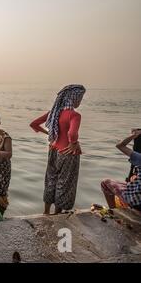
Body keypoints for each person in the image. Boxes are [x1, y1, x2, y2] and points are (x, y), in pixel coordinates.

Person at [30, 84, 86, 215]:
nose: (80, 101)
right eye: (80, 98)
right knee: (64, 183)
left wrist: (51, 135)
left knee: (50, 180)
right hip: (68, 153)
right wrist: (74, 143)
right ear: (73, 98)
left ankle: (46, 212)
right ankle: (56, 215)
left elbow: (34, 124)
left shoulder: (54, 112)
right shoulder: (74, 115)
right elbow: (72, 134)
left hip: (53, 149)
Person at [101, 129, 141, 211]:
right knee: (132, 180)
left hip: (137, 202)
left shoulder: (139, 158)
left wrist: (134, 135)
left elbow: (120, 145)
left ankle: (113, 211)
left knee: (105, 182)